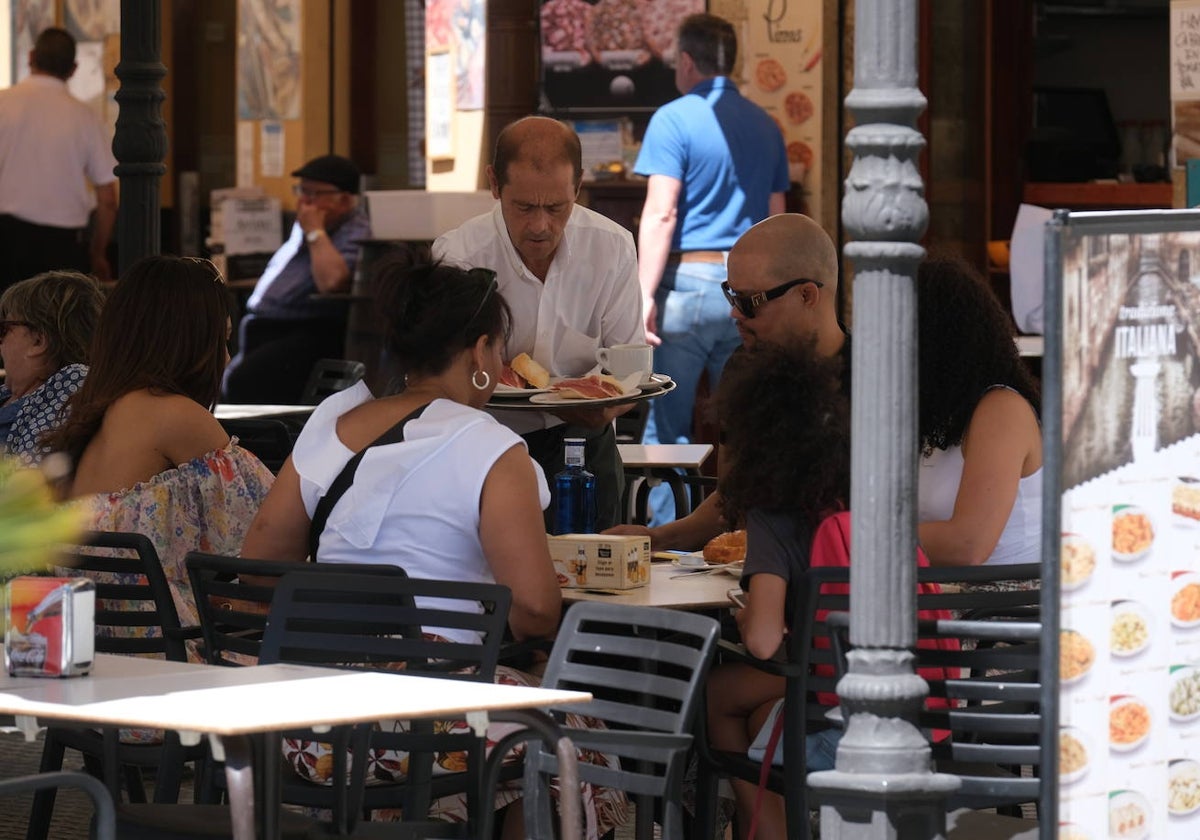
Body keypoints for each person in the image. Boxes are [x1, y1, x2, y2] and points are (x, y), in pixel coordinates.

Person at [240, 259, 626, 839]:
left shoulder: (332, 420)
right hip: (422, 724)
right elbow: (538, 611)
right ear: (478, 353)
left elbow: (259, 566)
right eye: (499, 350)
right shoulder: (493, 449)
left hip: (303, 723)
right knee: (570, 732)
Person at [433, 116, 643, 531]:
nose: (540, 226)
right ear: (495, 184)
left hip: (583, 440)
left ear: (578, 186)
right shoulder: (460, 254)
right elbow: (445, 373)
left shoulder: (612, 246)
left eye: (556, 208)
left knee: (596, 567)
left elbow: (629, 365)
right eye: (524, 207)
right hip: (485, 439)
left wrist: (609, 405)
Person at [45, 256, 274, 632]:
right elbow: (269, 536)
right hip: (175, 653)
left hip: (96, 649)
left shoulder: (90, 415)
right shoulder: (175, 416)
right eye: (222, 339)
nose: (228, 357)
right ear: (189, 341)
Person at [606, 213, 847, 550]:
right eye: (730, 295)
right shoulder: (745, 366)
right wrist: (655, 538)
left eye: (750, 302)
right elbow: (731, 499)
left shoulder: (872, 383)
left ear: (807, 296)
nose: (735, 313)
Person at [634, 13, 789, 525]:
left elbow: (661, 212)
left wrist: (641, 293)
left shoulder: (673, 119)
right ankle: (747, 534)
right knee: (748, 426)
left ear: (685, 61)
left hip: (689, 289)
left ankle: (665, 542)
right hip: (749, 294)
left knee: (667, 432)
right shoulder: (767, 125)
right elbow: (777, 218)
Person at [703, 342, 850, 839]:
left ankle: (767, 828)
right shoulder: (868, 499)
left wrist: (747, 615)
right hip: (904, 697)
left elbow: (764, 642)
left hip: (828, 695)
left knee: (714, 693)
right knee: (760, 714)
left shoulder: (774, 519)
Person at [915, 257, 1043, 566]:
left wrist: (862, 536)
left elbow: (968, 544)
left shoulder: (1001, 410)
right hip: (944, 599)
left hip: (1001, 609)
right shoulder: (939, 415)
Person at [223, 154, 371, 404]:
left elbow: (333, 281)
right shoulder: (306, 224)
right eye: (302, 191)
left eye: (315, 194)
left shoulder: (353, 229)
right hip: (261, 332)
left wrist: (315, 232)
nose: (304, 201)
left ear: (345, 200)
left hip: (306, 334)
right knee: (220, 385)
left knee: (242, 383)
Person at [0, 28, 118, 291]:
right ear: (73, 69)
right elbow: (108, 198)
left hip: (6, 240)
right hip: (63, 247)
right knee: (60, 325)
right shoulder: (84, 117)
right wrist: (97, 253)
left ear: (31, 56)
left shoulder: (3, 104)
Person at [0, 271, 102, 465]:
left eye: (4, 329)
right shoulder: (10, 393)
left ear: (38, 341)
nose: (1, 342)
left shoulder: (72, 384)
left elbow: (30, 476)